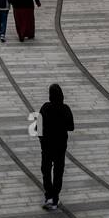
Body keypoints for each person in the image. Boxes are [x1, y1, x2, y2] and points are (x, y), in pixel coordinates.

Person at [38, 82, 74, 210]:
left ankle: (49, 196)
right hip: (60, 146)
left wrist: (41, 140)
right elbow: (71, 127)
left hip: (47, 146)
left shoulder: (45, 108)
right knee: (58, 172)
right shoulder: (65, 109)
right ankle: (55, 198)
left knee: (46, 171)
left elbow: (38, 128)